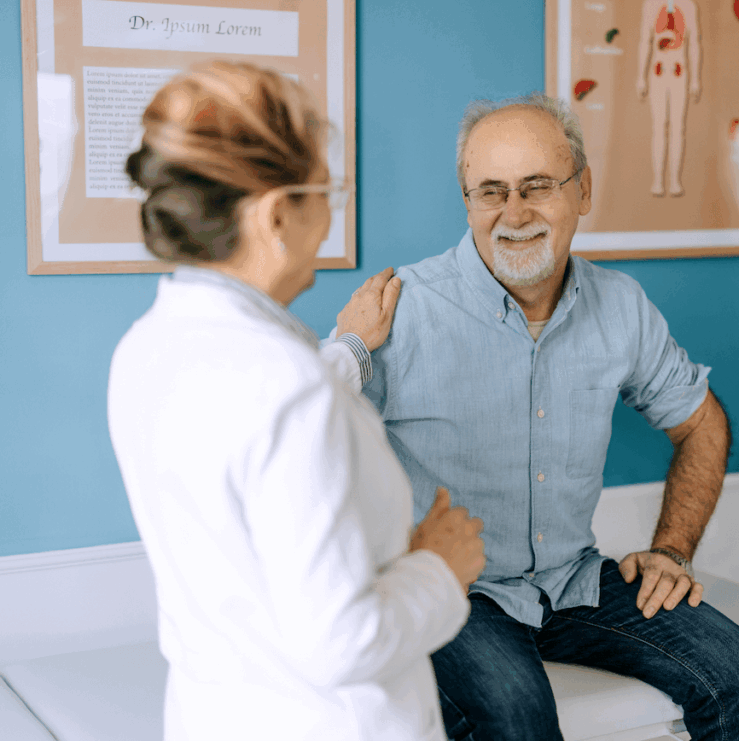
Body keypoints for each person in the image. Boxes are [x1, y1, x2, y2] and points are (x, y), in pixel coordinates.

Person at [364, 93, 739, 740]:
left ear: (583, 189)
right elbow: (310, 447)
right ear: (468, 202)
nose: (514, 213)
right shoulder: (401, 310)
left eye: (538, 186)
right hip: (454, 590)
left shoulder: (621, 305)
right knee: (517, 713)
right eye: (491, 191)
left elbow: (701, 421)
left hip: (573, 582)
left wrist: (671, 549)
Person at [107, 61, 485, 741]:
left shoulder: (146, 349)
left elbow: (255, 427)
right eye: (326, 192)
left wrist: (350, 348)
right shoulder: (290, 387)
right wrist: (440, 567)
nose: (331, 214)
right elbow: (344, 643)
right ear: (278, 214)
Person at [637, 0, 702, 196]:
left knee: (677, 128)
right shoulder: (650, 5)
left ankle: (675, 181)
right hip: (658, 70)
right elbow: (645, 40)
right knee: (658, 127)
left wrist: (696, 78)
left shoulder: (689, 6)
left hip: (678, 70)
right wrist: (641, 76)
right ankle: (658, 181)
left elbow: (694, 42)